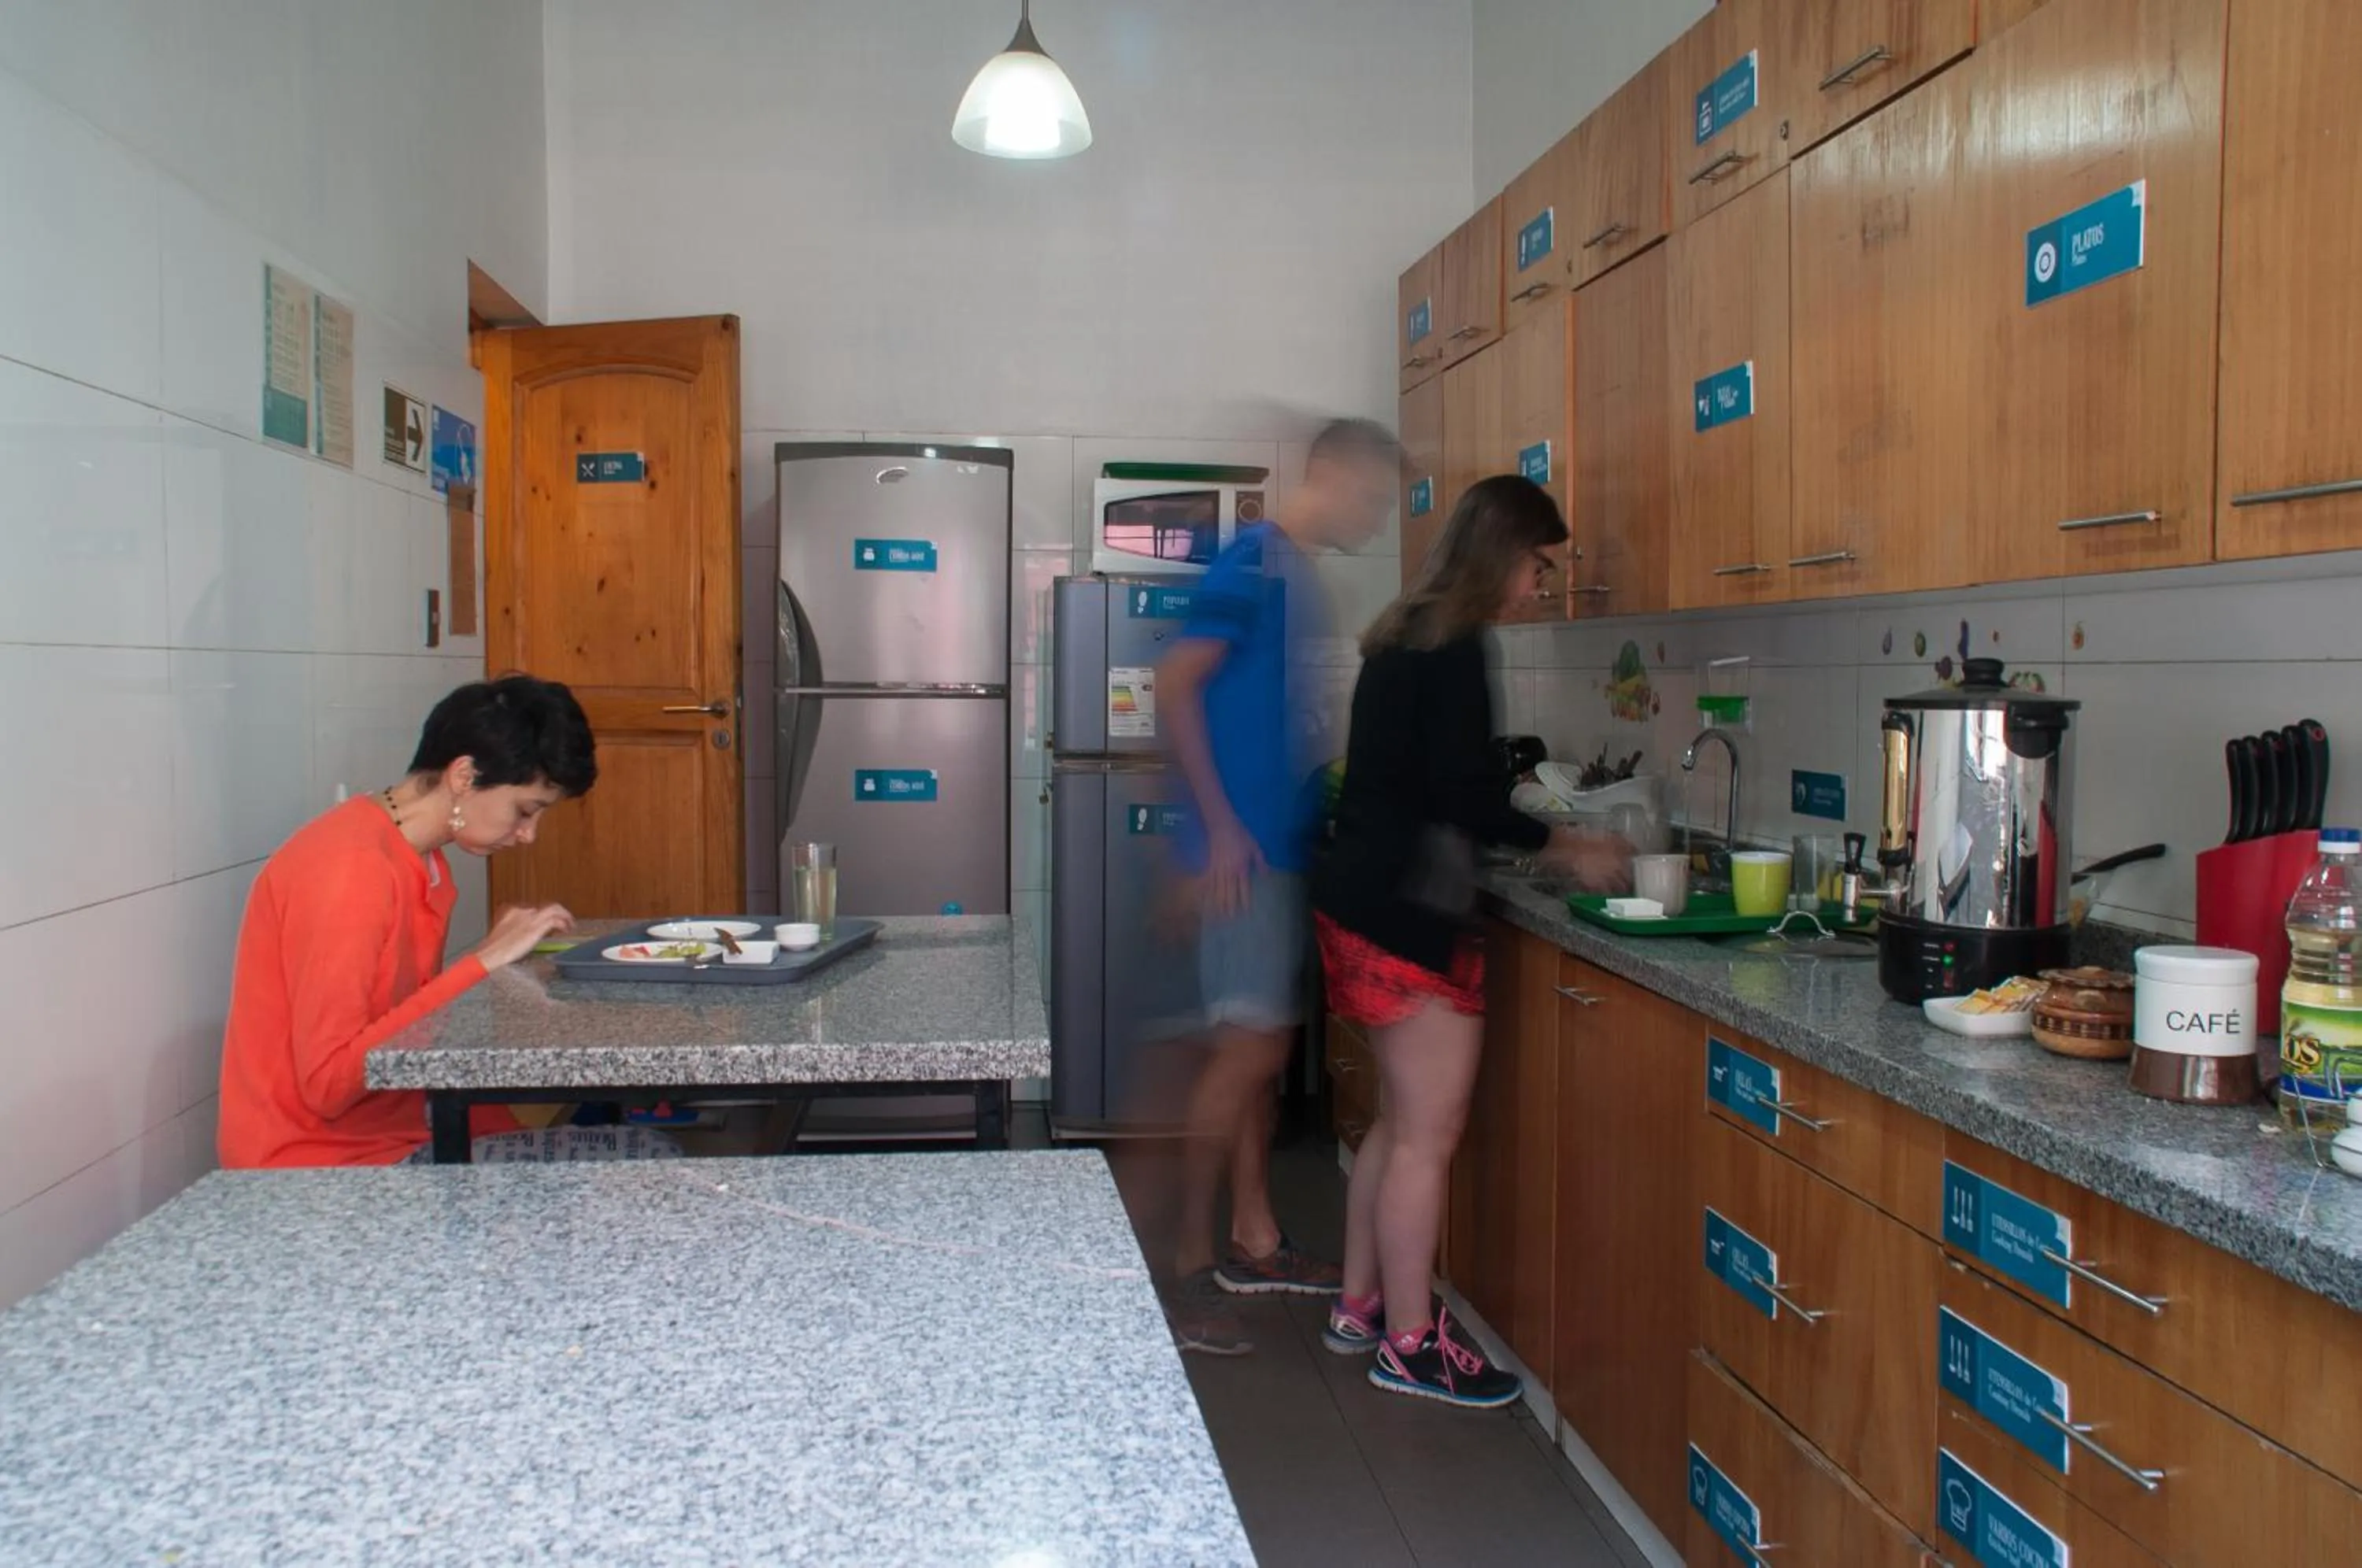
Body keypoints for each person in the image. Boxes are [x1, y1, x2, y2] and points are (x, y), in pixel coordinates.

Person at [1310, 475, 1631, 1407]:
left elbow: (1432, 783)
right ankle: (1411, 1344)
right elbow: (1461, 795)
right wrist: (1564, 843)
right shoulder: (1455, 645)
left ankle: (1359, 1306)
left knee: (1397, 1127)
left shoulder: (1404, 630)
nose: (1541, 585)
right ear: (1503, 554)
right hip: (1406, 913)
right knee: (1426, 1140)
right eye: (1539, 565)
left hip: (1358, 902)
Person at [1155, 418, 1402, 1355]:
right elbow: (1175, 682)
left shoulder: (1293, 571)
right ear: (1330, 474)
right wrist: (1216, 828)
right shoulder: (1256, 560)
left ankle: (1253, 1239)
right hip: (1244, 857)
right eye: (1371, 496)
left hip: (1272, 848)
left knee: (1258, 1052)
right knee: (1247, 1059)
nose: (1374, 515)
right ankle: (1184, 1272)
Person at [219, 674, 651, 1168]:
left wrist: (484, 959)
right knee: (642, 1166)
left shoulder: (419, 860)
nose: (528, 835)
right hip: (319, 1169)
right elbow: (327, 1084)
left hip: (397, 1134)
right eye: (524, 810)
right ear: (463, 775)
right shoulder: (349, 871)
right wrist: (482, 961)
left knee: (638, 1166)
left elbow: (399, 1025)